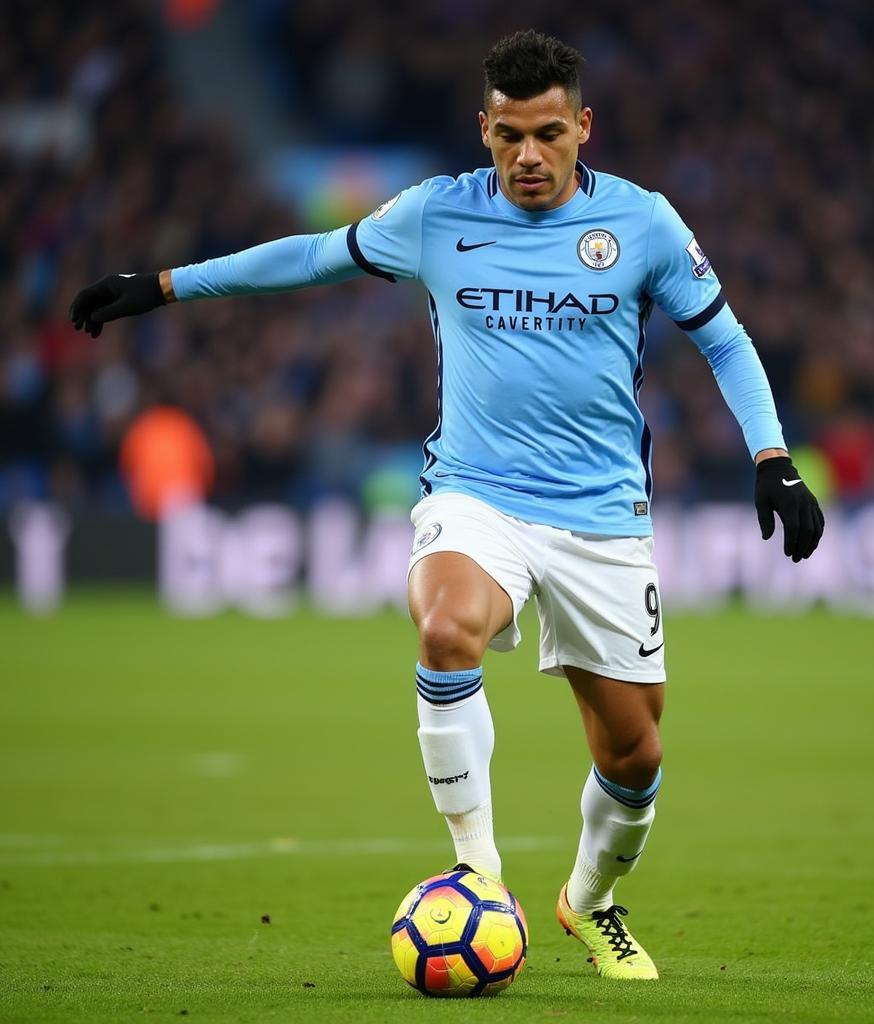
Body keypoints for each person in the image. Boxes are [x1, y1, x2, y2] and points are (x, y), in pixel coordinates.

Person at [70, 29, 824, 981]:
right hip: (477, 495)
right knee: (445, 629)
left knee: (634, 756)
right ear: (484, 130)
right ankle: (480, 875)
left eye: (549, 133)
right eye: (509, 136)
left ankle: (588, 903)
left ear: (584, 125)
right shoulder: (435, 215)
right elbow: (310, 257)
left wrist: (773, 455)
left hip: (602, 519)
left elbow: (725, 340)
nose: (529, 156)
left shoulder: (645, 225)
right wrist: (167, 286)